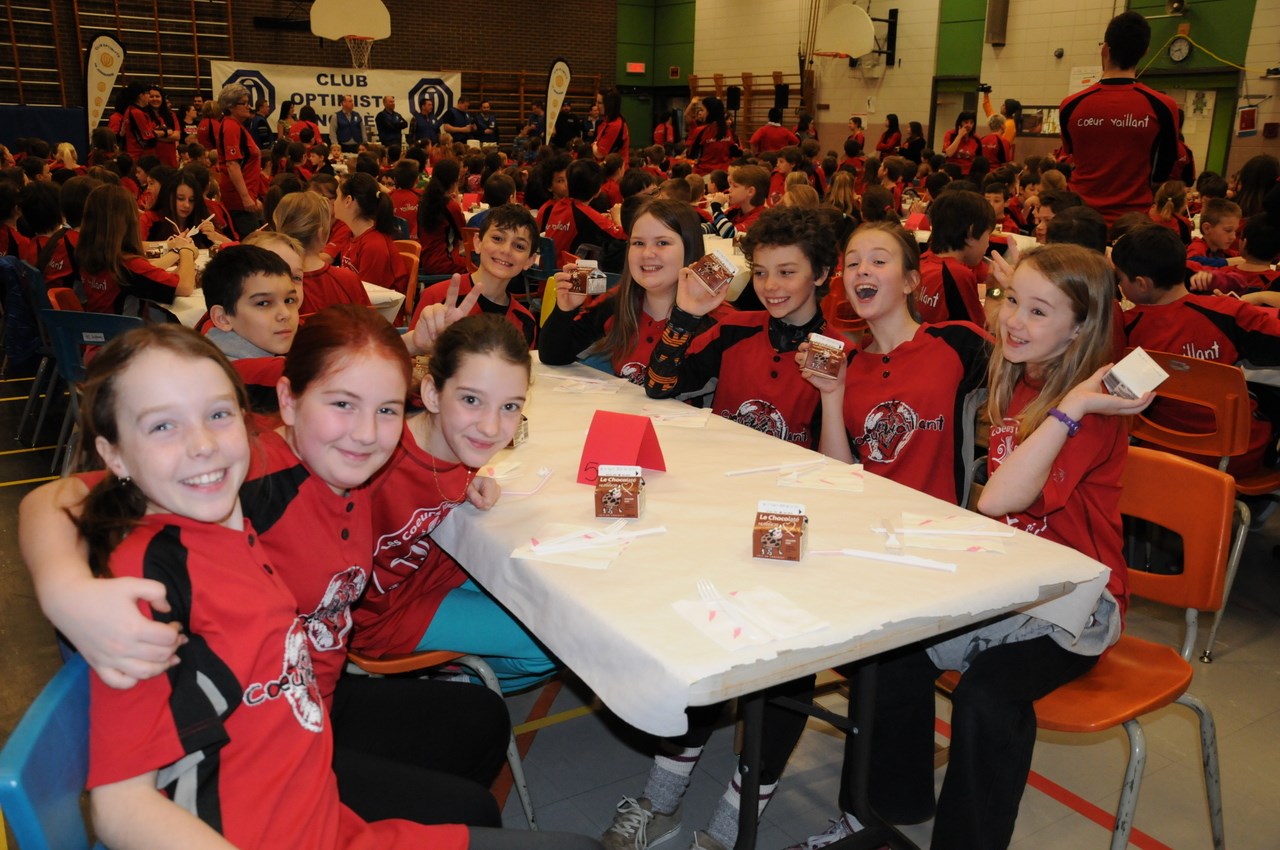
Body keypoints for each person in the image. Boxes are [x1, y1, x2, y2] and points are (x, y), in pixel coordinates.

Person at [21, 313, 607, 850]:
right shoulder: (245, 477)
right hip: (279, 733)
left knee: (479, 725)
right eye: (343, 405)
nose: (368, 434)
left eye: (385, 411)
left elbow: (423, 455)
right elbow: (57, 498)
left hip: (302, 702)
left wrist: (465, 474)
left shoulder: (347, 470)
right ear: (289, 402)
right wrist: (64, 588)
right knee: (471, 797)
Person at [786, 244, 1149, 850]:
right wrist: (1017, 294)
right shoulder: (1022, 373)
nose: (1014, 321)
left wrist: (1076, 404)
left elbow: (998, 499)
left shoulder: (1090, 411)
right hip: (1011, 581)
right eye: (1012, 303)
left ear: (1080, 328)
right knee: (891, 655)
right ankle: (881, 812)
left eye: (1039, 312)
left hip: (1080, 602)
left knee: (987, 696)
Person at [355, 311, 558, 691]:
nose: (491, 427)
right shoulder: (373, 462)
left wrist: (470, 481)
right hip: (380, 614)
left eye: (510, 406)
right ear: (432, 394)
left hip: (429, 570)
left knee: (550, 593)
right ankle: (452, 684)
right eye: (471, 400)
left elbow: (428, 475)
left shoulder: (455, 446)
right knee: (556, 644)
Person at [644, 205, 833, 448]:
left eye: (786, 272)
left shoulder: (839, 355)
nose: (770, 285)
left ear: (820, 274)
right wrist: (685, 316)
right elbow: (658, 386)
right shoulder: (734, 329)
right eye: (760, 273)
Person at [1117, 224, 1280, 474]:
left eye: (1120, 279)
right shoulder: (1229, 313)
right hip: (1236, 456)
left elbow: (1119, 394)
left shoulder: (1125, 328)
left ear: (1141, 284)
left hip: (1153, 449)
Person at [540, 198, 729, 383]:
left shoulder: (719, 322)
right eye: (638, 243)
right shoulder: (618, 302)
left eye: (662, 243)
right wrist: (564, 310)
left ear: (689, 248)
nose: (647, 253)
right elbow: (554, 356)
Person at [1059, 11, 1178, 223]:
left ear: (1105, 49)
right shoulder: (1164, 106)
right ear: (1144, 52)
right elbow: (1162, 172)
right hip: (1132, 223)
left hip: (1078, 219)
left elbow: (1071, 155)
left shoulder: (1071, 105)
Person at [412, 204, 540, 347]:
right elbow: (408, 361)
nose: (506, 250)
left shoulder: (525, 322)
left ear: (529, 260)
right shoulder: (436, 297)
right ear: (477, 242)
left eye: (519, 246)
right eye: (497, 238)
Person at [78, 184, 196, 315]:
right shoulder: (127, 265)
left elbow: (157, 279)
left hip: (97, 326)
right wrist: (186, 249)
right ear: (128, 222)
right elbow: (185, 287)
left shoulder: (86, 253)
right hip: (126, 332)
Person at [917, 189, 994, 326]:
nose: (988, 243)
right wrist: (994, 290)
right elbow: (979, 332)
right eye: (988, 235)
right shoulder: (958, 274)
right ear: (971, 233)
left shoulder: (923, 259)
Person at [535, 159, 626, 270]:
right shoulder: (584, 213)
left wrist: (600, 218)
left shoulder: (559, 206)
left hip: (549, 278)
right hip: (568, 279)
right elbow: (622, 238)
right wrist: (618, 217)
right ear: (598, 190)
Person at [214, 83, 267, 236]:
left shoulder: (236, 126)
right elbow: (232, 164)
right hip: (238, 199)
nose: (248, 106)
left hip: (245, 195)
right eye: (243, 103)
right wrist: (245, 198)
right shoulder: (231, 127)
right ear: (230, 106)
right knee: (250, 243)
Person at [146, 171, 233, 248]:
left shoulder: (199, 223)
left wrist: (214, 236)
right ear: (168, 197)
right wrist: (170, 244)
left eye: (192, 200)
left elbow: (236, 248)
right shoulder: (151, 219)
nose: (187, 205)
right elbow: (135, 248)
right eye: (180, 198)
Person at [417, 158, 469, 276]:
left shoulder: (423, 201)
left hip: (426, 260)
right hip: (445, 262)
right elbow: (464, 235)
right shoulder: (450, 206)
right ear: (454, 182)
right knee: (478, 264)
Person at [686, 96, 736, 176]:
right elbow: (734, 153)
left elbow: (691, 154)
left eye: (703, 110)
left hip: (704, 173)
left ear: (709, 112)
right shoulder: (729, 131)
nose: (702, 113)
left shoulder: (700, 130)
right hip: (724, 173)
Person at [1187, 197, 1242, 268]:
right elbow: (1190, 261)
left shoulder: (1220, 250)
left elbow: (1240, 257)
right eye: (1228, 230)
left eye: (1235, 231)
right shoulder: (1197, 247)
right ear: (1207, 228)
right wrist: (1228, 262)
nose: (1233, 237)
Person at [593, 90, 631, 163]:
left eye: (600, 103)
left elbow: (599, 154)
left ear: (609, 105)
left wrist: (594, 145)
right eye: (596, 102)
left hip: (615, 170)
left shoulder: (615, 125)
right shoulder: (605, 121)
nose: (596, 106)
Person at [942, 111, 980, 176]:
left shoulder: (976, 138)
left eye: (971, 122)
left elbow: (978, 158)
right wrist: (959, 136)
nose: (969, 125)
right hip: (951, 172)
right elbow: (949, 153)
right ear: (960, 123)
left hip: (968, 173)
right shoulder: (950, 134)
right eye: (966, 122)